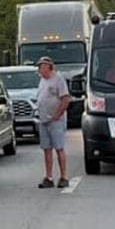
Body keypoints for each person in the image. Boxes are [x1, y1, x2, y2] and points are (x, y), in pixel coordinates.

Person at [35, 56, 72, 189]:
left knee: (59, 148)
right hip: (44, 119)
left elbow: (65, 98)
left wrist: (58, 114)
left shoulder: (58, 79)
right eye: (39, 66)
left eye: (42, 66)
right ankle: (49, 177)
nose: (39, 69)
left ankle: (63, 176)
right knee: (46, 149)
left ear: (49, 67)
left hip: (56, 120)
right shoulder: (42, 81)